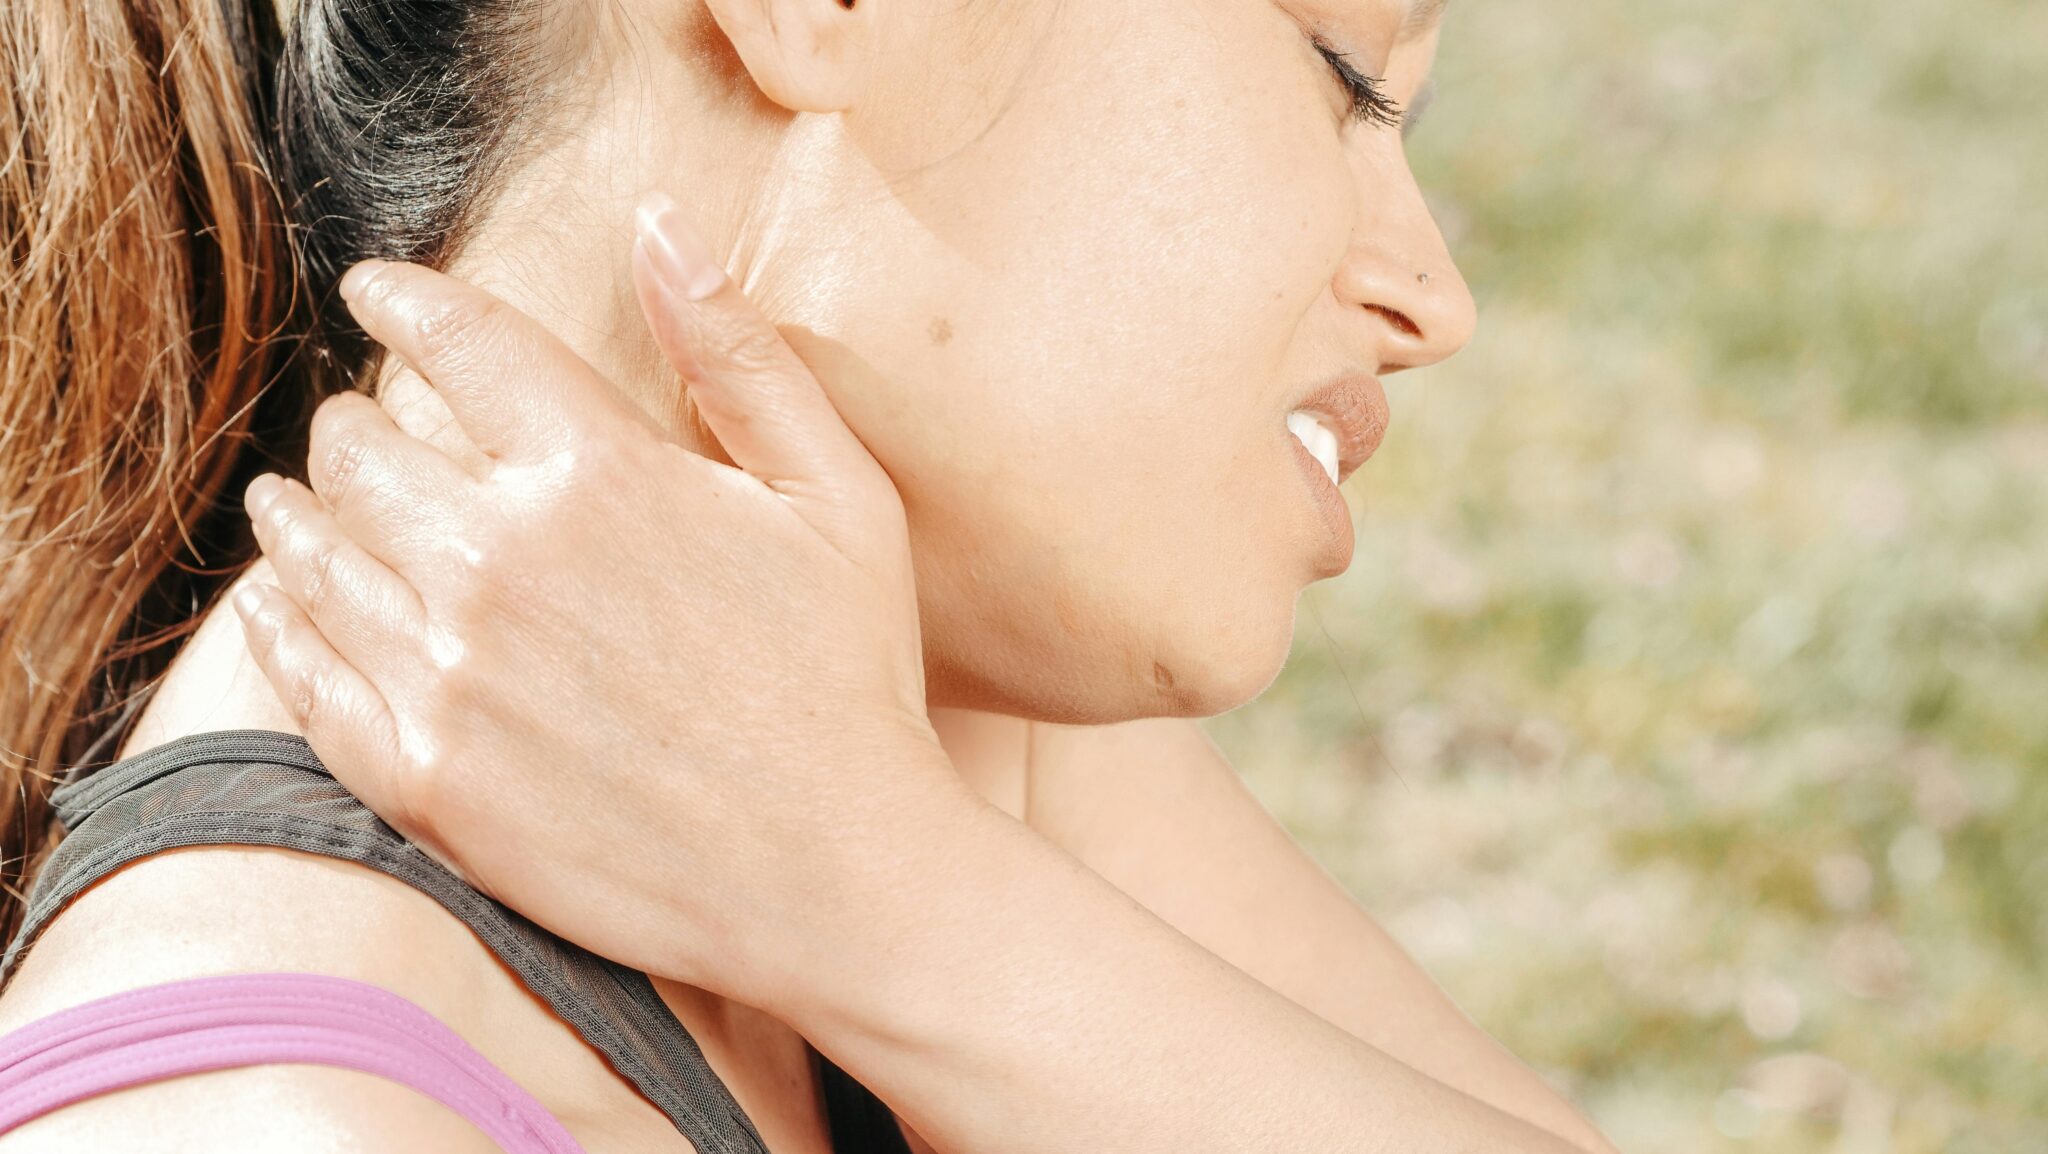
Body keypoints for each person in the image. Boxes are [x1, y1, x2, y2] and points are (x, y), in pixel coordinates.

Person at [0, 0, 1619, 1150]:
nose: (1432, 294)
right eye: (1344, 74)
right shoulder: (279, 1115)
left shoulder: (921, 732)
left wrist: (884, 890)